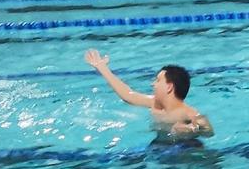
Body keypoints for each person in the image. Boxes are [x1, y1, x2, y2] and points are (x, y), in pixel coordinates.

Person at [83, 51, 211, 140]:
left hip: (186, 148)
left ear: (169, 87)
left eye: (157, 80)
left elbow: (208, 131)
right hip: (159, 146)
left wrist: (193, 129)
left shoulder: (187, 112)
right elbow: (127, 95)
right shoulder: (154, 103)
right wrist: (102, 67)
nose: (153, 84)